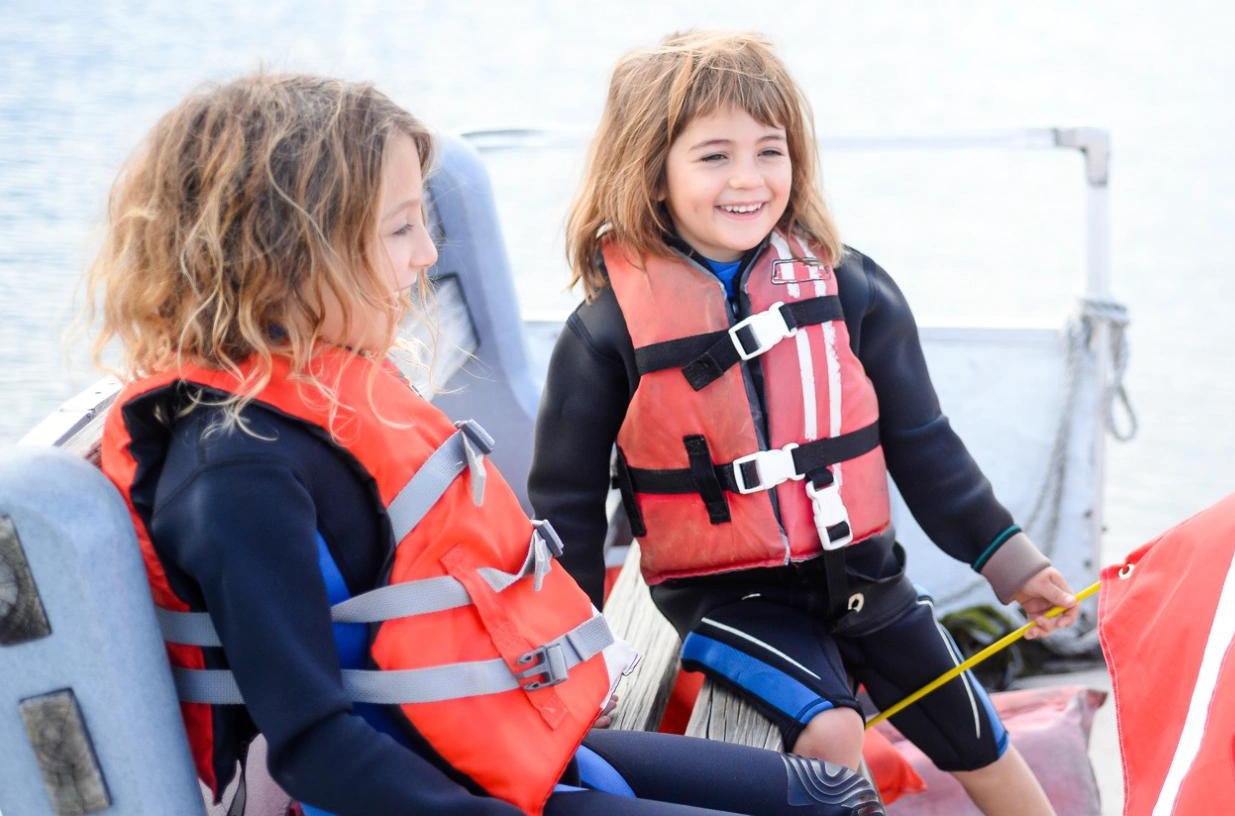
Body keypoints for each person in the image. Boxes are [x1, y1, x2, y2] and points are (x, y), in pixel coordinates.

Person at [88, 72, 885, 816]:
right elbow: (313, 747)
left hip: (515, 752)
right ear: (290, 253)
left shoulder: (327, 396)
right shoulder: (236, 472)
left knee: (835, 794)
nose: (427, 256)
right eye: (401, 228)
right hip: (442, 791)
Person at [529, 31, 1080, 816]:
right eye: (713, 156)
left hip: (867, 579)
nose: (748, 179)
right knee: (830, 737)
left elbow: (925, 447)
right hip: (728, 599)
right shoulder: (605, 333)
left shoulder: (853, 288)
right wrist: (576, 653)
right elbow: (566, 509)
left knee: (977, 738)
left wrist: (1013, 565)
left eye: (769, 151)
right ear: (651, 174)